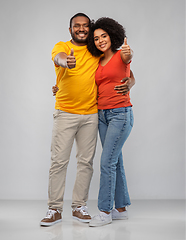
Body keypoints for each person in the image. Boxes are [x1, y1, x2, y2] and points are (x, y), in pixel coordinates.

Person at [41, 13, 135, 227]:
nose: (81, 29)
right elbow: (58, 57)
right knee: (59, 162)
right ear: (70, 29)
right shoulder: (64, 47)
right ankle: (54, 209)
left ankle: (80, 207)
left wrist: (130, 83)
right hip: (67, 112)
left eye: (85, 26)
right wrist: (66, 62)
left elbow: (127, 68)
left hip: (94, 114)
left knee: (87, 162)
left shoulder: (105, 53)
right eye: (77, 26)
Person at [85, 17, 134, 227]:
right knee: (116, 161)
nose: (100, 40)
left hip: (120, 114)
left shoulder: (122, 55)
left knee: (106, 162)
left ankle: (105, 211)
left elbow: (130, 68)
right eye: (96, 38)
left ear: (112, 35)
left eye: (103, 36)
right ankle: (120, 209)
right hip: (102, 115)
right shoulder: (98, 61)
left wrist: (131, 77)